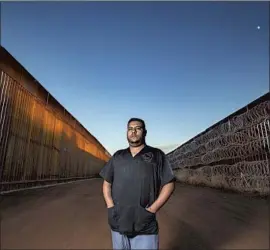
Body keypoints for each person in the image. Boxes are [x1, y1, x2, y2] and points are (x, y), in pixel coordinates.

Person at [99, 118, 175, 250]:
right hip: (118, 221)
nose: (133, 132)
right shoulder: (118, 156)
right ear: (126, 132)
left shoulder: (157, 155)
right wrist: (111, 207)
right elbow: (107, 183)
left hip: (144, 223)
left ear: (144, 132)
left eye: (137, 128)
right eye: (130, 129)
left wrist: (152, 209)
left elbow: (169, 183)